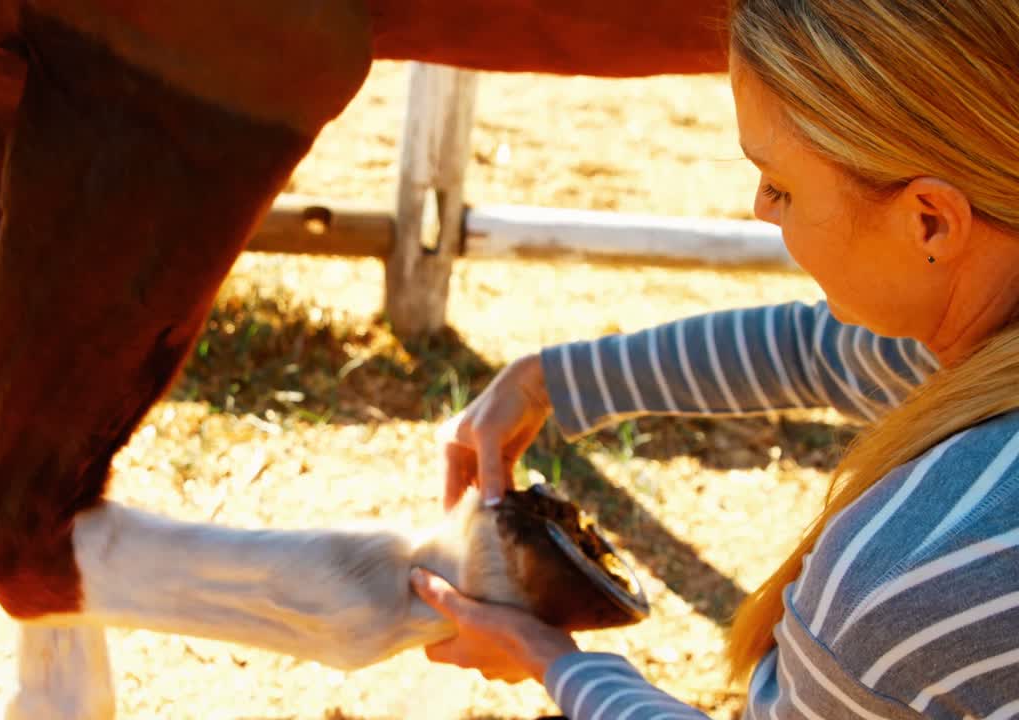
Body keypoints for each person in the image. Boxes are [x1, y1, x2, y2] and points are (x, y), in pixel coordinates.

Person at [409, 1, 1019, 718]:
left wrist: (553, 661)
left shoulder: (903, 588)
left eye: (782, 185)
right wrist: (548, 381)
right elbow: (815, 352)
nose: (761, 207)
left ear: (930, 222)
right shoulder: (976, 343)